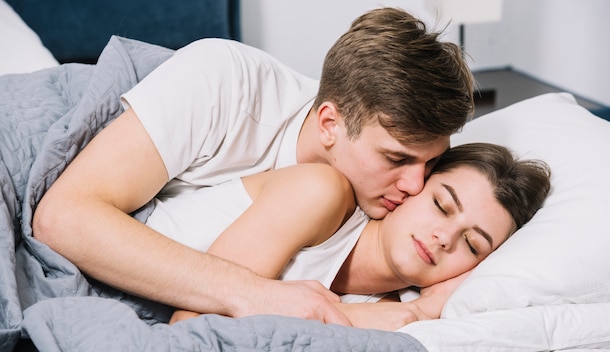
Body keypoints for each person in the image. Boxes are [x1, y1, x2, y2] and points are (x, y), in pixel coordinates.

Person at [32, 7, 474, 327]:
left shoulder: (387, 201)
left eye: (431, 162)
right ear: (329, 124)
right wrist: (252, 292)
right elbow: (63, 216)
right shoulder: (225, 83)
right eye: (396, 158)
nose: (417, 184)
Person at [166, 142, 551, 329]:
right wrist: (406, 313)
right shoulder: (320, 194)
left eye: (472, 244)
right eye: (442, 205)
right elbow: (190, 326)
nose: (444, 238)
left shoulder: (391, 309)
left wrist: (417, 311)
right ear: (415, 185)